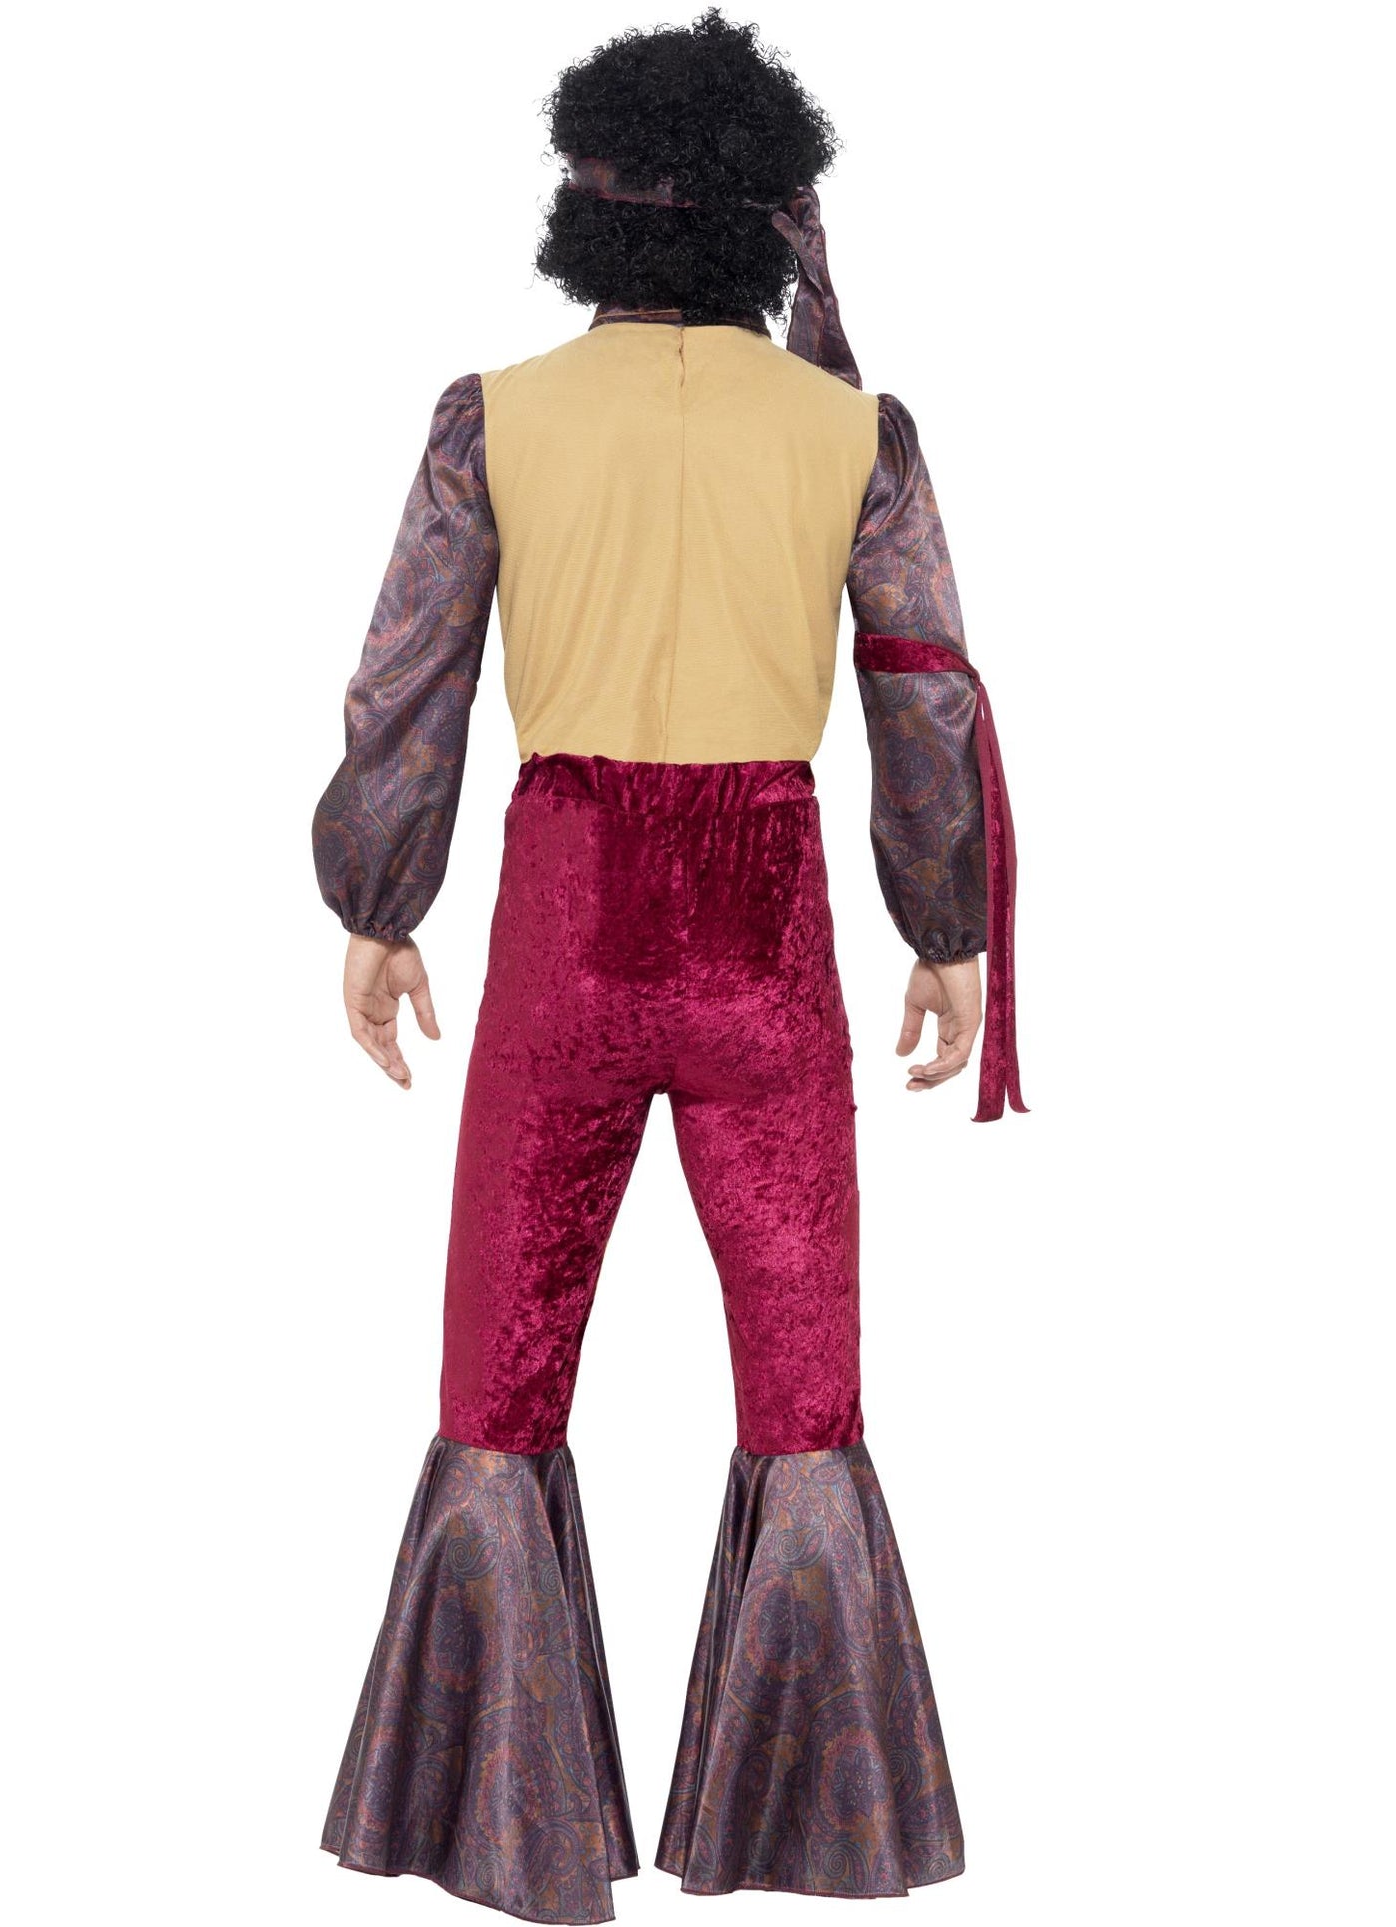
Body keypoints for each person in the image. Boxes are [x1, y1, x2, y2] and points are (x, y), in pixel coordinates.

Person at [312, 11, 1024, 1922]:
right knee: (804, 1386)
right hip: (764, 943)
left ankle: (494, 1825)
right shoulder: (855, 432)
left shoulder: (494, 414)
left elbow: (406, 683)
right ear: (767, 217)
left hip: (559, 931)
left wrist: (378, 903)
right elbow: (924, 693)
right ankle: (818, 1825)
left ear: (589, 213)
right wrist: (945, 929)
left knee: (498, 1373)